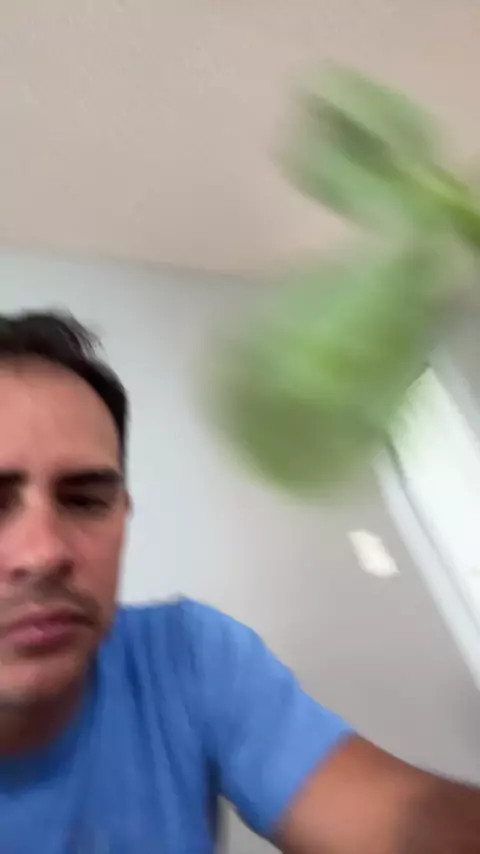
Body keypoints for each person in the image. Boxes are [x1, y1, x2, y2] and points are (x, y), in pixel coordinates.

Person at [0, 311, 478, 854]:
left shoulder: (185, 656)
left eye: (85, 500)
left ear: (123, 515)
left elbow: (394, 821)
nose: (45, 552)